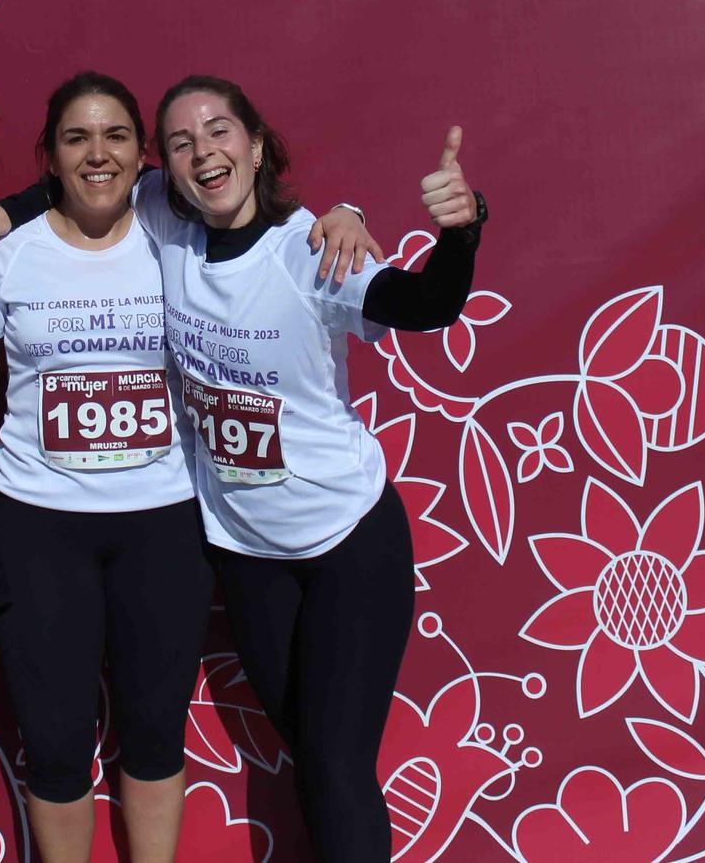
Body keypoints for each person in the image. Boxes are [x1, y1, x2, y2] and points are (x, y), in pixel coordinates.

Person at [148, 74, 483, 863]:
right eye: (181, 142)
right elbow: (86, 178)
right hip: (248, 555)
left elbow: (425, 303)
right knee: (316, 760)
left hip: (349, 545)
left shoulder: (312, 249)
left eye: (220, 131)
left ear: (258, 145)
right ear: (164, 168)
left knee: (335, 767)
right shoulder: (162, 225)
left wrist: (461, 232)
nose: (204, 153)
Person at [0, 72, 209, 863]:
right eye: (76, 138)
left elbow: (266, 219)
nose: (97, 153)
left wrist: (350, 213)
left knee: (155, 731)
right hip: (39, 527)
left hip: (163, 522)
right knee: (58, 739)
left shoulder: (177, 231)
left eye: (115, 136)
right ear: (50, 158)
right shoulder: (9, 256)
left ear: (143, 153)